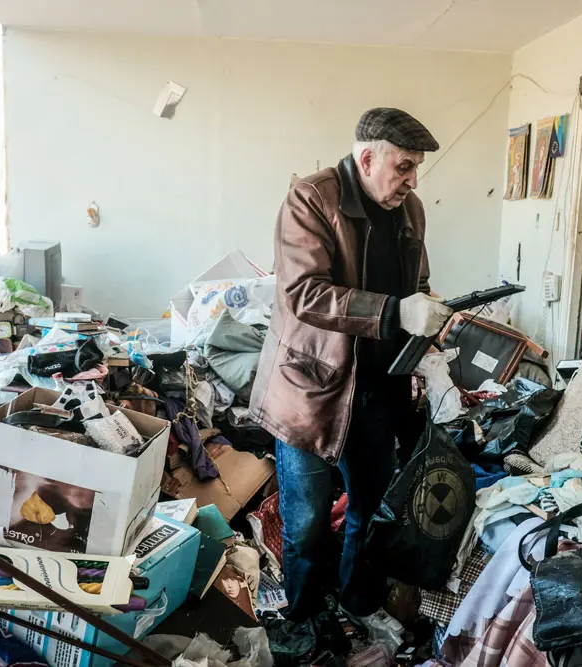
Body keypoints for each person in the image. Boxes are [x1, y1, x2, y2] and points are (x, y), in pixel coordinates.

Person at [249, 108, 453, 626]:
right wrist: (395, 311)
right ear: (367, 159)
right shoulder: (311, 198)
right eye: (404, 166)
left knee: (371, 512)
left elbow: (417, 283)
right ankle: (301, 621)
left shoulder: (411, 211)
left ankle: (357, 610)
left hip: (381, 391)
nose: (412, 180)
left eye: (416, 168)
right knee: (307, 523)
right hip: (313, 392)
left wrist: (428, 314)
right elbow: (304, 293)